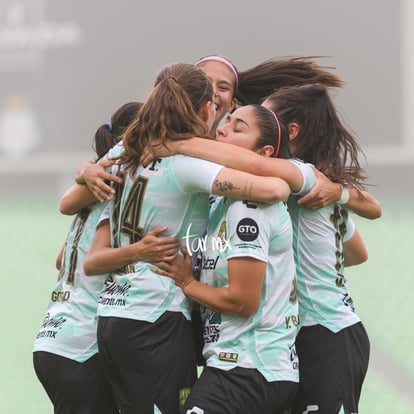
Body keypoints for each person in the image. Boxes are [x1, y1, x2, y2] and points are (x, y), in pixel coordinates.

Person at [83, 63, 291, 414]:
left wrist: (84, 170)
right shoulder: (183, 164)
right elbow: (274, 186)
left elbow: (71, 200)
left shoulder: (125, 154)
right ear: (205, 108)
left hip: (113, 316)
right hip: (155, 318)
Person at [150, 104, 315, 413]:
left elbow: (243, 301)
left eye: (239, 128)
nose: (223, 129)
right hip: (244, 368)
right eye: (226, 122)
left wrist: (186, 282)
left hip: (247, 368)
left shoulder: (246, 208)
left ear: (264, 152)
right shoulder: (222, 203)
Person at [32, 102, 179, 414]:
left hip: (52, 337)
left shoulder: (95, 187)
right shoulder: (118, 188)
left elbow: (62, 259)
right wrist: (139, 251)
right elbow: (91, 259)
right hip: (81, 345)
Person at [262, 83, 375, 414]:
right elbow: (357, 253)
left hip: (325, 332)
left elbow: (252, 164)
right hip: (320, 331)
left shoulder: (301, 174)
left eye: (267, 117)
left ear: (291, 131)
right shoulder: (321, 184)